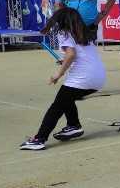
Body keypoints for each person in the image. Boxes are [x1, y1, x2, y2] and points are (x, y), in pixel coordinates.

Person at [20, 8, 106, 150]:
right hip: (98, 78)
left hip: (82, 78)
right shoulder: (85, 33)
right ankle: (73, 125)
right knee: (66, 98)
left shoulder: (63, 33)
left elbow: (71, 55)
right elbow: (78, 55)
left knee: (57, 106)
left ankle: (39, 139)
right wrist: (65, 60)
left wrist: (57, 74)